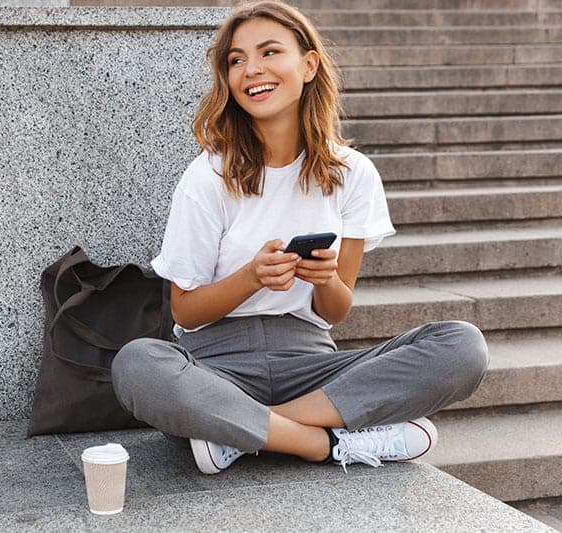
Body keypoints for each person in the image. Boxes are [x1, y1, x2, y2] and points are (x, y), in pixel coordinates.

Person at [111, 0, 489, 474]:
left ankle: (240, 433)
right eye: (236, 60)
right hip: (215, 369)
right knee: (137, 364)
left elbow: (335, 310)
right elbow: (185, 309)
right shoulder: (208, 175)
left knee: (462, 346)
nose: (252, 70)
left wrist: (326, 279)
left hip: (311, 366)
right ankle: (323, 444)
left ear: (308, 64)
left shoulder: (353, 174)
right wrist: (251, 277)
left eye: (269, 52)